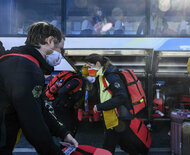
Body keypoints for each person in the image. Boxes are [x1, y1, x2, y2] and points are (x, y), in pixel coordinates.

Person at [0, 22, 78, 154]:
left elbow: (39, 107)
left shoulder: (13, 60)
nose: (61, 54)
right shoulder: (28, 69)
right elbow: (33, 123)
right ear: (50, 41)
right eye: (60, 49)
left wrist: (63, 133)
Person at [84, 54, 148, 155]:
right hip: (113, 117)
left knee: (108, 147)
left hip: (117, 118)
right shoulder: (102, 75)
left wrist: (100, 106)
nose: (88, 69)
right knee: (124, 144)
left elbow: (121, 97)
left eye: (89, 66)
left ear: (97, 63)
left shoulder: (110, 76)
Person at [44, 71, 84, 137]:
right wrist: (66, 103)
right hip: (61, 105)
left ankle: (67, 143)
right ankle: (65, 145)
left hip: (62, 104)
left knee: (70, 125)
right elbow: (61, 91)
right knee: (68, 127)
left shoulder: (73, 77)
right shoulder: (76, 81)